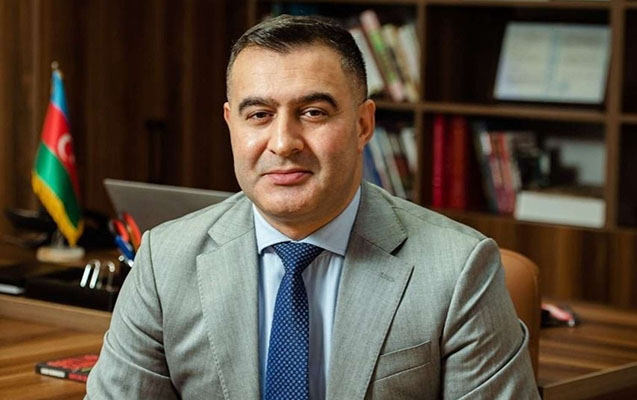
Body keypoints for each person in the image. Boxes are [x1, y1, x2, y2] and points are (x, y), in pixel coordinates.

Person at [86, 15, 539, 399]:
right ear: (231, 124)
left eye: (313, 112)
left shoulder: (458, 270)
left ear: (363, 125)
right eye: (259, 115)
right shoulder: (164, 261)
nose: (283, 143)